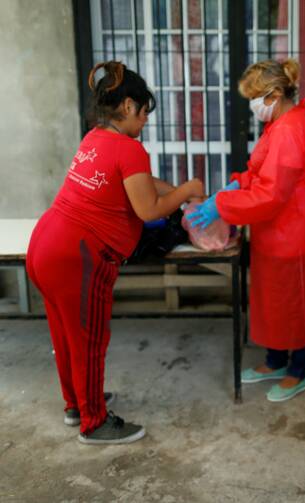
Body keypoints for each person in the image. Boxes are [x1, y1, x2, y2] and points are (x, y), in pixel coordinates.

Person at [26, 61, 205, 445]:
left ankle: (76, 404)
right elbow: (148, 210)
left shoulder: (94, 139)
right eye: (143, 114)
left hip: (45, 245)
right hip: (78, 256)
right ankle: (95, 423)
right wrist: (187, 188)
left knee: (66, 334)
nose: (144, 123)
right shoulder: (129, 148)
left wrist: (179, 189)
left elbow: (140, 183)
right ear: (127, 106)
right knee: (89, 340)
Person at [188, 59, 305, 402]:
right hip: (281, 227)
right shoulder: (284, 123)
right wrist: (235, 185)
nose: (253, 106)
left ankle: (299, 370)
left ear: (276, 94)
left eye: (256, 97)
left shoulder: (291, 130)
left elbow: (271, 195)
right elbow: (262, 174)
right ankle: (276, 360)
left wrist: (222, 204)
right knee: (276, 300)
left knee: (297, 303)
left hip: (295, 228)